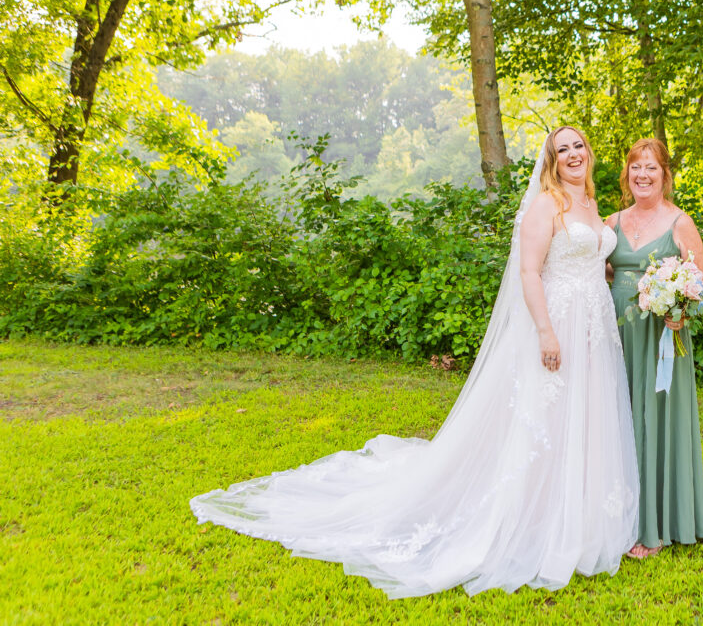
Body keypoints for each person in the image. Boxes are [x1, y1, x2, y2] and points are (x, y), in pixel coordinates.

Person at [190, 126, 639, 598]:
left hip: (594, 326)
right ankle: (537, 518)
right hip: (558, 324)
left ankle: (580, 514)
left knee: (584, 417)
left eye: (578, 146)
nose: (572, 155)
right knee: (544, 420)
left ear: (590, 152)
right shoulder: (547, 205)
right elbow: (530, 270)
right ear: (551, 161)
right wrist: (546, 331)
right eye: (561, 149)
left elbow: (593, 261)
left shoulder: (592, 206)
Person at [604, 137, 703, 559]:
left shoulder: (680, 223)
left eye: (651, 168)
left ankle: (654, 526)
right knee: (618, 422)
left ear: (665, 175)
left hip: (663, 339)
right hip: (617, 336)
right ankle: (615, 516)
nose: (642, 175)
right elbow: (601, 270)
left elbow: (698, 283)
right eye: (635, 168)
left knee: (653, 421)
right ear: (626, 174)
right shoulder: (610, 222)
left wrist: (681, 311)